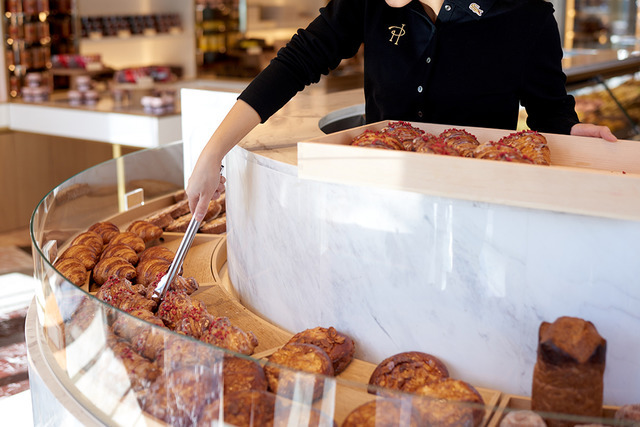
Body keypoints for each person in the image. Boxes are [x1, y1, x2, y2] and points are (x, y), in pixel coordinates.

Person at [186, 0, 617, 220]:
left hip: (477, 209)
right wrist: (212, 152)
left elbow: (550, 112)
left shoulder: (525, 13)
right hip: (376, 201)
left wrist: (569, 131)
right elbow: (299, 60)